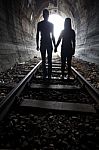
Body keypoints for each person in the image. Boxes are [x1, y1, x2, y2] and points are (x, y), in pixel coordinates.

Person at [36, 9, 55, 79]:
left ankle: (46, 74)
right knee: (47, 60)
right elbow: (52, 36)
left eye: (46, 14)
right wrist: (55, 45)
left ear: (43, 15)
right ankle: (48, 74)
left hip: (44, 43)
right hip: (47, 43)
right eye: (46, 14)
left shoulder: (40, 24)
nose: (46, 16)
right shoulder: (51, 25)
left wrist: (38, 44)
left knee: (45, 60)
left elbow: (38, 35)